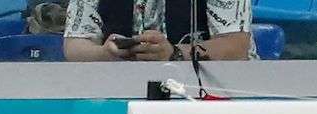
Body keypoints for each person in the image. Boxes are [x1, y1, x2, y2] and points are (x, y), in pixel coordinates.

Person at [62, 0, 249, 61]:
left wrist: (173, 53)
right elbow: (75, 45)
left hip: (208, 95)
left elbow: (235, 45)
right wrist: (104, 53)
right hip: (118, 89)